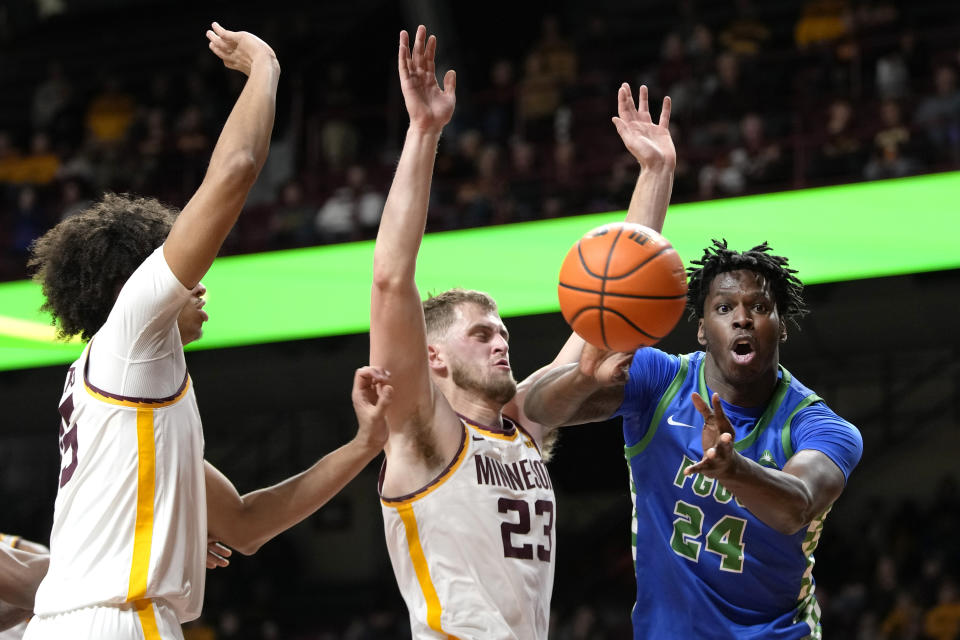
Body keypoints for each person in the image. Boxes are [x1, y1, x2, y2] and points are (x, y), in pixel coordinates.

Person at [23, 24, 392, 640]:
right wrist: (266, 67)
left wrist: (364, 443)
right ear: (136, 280)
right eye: (184, 271)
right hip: (114, 624)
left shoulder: (129, 395)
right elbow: (236, 170)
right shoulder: (133, 333)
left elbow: (246, 524)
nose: (199, 284)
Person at [370, 25, 676, 638]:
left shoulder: (524, 427)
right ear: (431, 356)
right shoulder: (422, 431)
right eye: (480, 334)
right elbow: (390, 280)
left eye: (502, 330)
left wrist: (656, 172)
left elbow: (610, 309)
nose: (501, 340)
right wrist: (424, 132)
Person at [524, 240, 864, 638]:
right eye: (724, 308)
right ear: (702, 330)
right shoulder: (659, 381)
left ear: (781, 326)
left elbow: (794, 509)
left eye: (759, 307)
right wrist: (585, 377)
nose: (742, 319)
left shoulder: (822, 428)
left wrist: (732, 468)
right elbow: (539, 410)